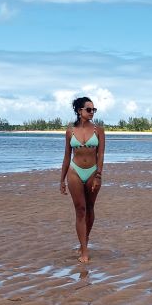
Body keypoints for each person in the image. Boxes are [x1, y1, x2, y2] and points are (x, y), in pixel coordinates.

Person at [60, 97, 105, 263]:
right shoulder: (70, 131)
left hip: (93, 171)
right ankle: (84, 251)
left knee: (90, 208)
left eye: (94, 110)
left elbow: (101, 155)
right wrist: (61, 180)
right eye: (89, 109)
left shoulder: (98, 130)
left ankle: (85, 239)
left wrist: (98, 175)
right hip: (75, 172)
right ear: (79, 111)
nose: (92, 112)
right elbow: (66, 157)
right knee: (80, 210)